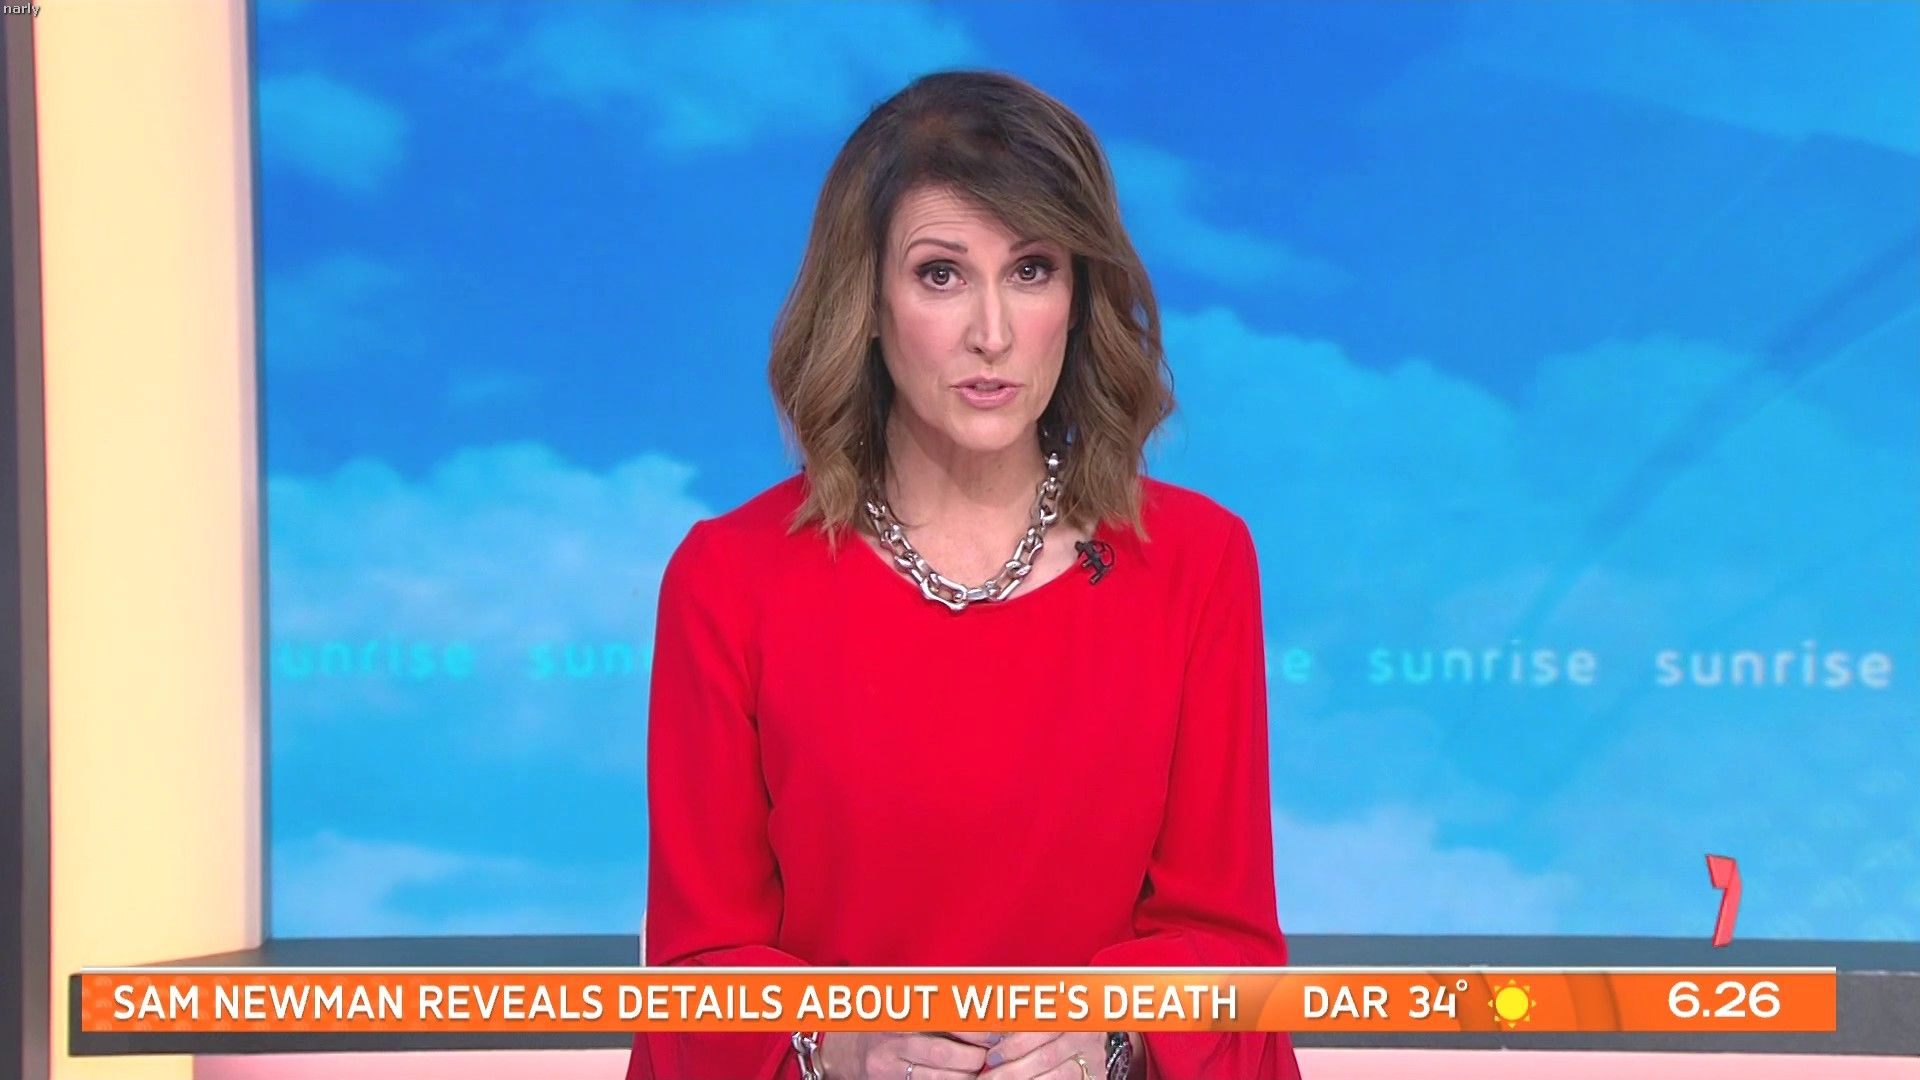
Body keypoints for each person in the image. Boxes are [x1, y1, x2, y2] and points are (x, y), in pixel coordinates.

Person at [626, 69, 1301, 1080]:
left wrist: (1112, 1037)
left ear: (1078, 298)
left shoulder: (1196, 562)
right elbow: (697, 973)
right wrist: (838, 1048)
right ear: (867, 301)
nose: (992, 332)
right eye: (941, 275)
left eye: (1031, 270)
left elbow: (1229, 946)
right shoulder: (730, 579)